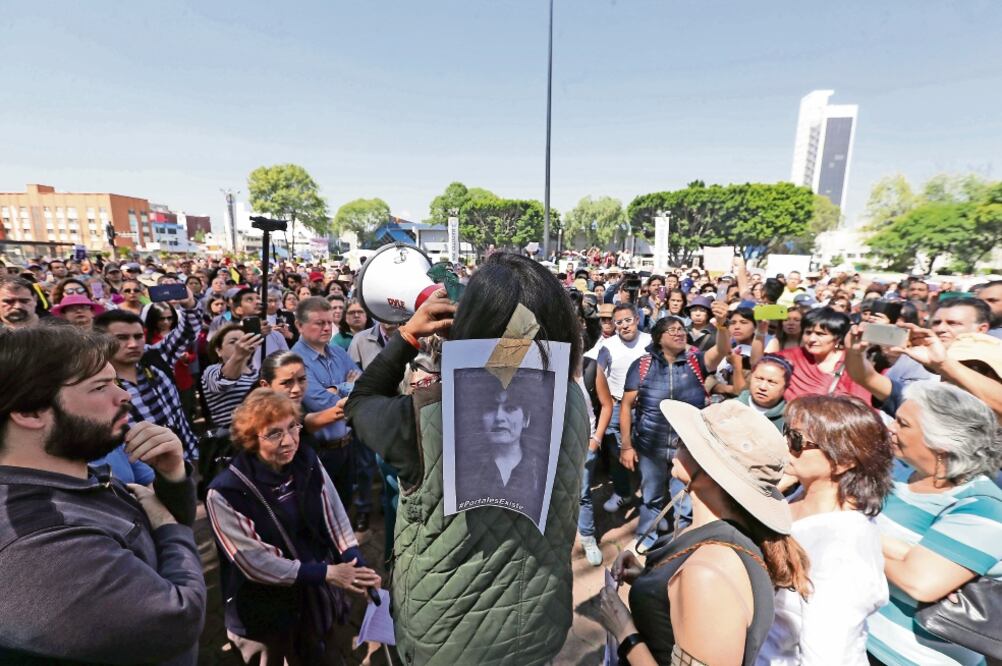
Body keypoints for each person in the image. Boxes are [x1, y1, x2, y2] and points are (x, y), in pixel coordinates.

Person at [345, 253, 588, 665]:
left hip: (444, 641)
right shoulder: (574, 402)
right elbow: (515, 361)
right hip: (538, 626)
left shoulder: (425, 414)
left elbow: (360, 402)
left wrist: (408, 336)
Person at [0, 325, 206, 663]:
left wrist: (171, 476)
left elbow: (167, 515)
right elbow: (179, 619)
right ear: (30, 412)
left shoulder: (77, 473)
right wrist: (170, 528)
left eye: (117, 382)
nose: (124, 396)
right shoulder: (36, 539)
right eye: (99, 387)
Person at [599, 400, 811, 666]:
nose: (676, 443)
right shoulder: (727, 537)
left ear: (710, 470)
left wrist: (624, 632)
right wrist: (649, 582)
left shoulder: (708, 575)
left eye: (686, 441)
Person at [207, 390, 379, 665]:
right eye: (274, 433)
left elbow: (334, 515)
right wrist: (327, 572)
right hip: (265, 614)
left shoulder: (306, 460)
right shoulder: (226, 491)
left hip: (313, 602)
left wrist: (356, 563)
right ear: (251, 438)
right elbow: (255, 562)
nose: (288, 440)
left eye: (292, 427)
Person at [867, 382, 1002, 666]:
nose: (890, 427)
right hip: (860, 640)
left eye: (903, 424)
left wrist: (852, 533)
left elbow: (919, 583)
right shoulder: (900, 473)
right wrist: (905, 553)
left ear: (941, 443)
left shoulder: (983, 506)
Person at [757, 396, 893, 666]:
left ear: (843, 461)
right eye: (786, 431)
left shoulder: (842, 548)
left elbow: (828, 655)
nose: (784, 444)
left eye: (796, 440)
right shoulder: (801, 496)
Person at [620, 308, 729, 551]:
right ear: (658, 338)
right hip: (651, 447)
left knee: (684, 501)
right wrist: (626, 445)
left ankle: (680, 545)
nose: (679, 333)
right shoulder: (642, 366)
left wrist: (722, 325)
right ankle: (646, 539)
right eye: (672, 330)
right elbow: (626, 406)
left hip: (688, 449)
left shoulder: (696, 361)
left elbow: (722, 350)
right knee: (651, 498)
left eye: (681, 329)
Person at [93, 289, 202, 460]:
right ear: (101, 342)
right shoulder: (96, 386)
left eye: (138, 336)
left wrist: (189, 304)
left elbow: (188, 331)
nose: (133, 344)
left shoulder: (155, 357)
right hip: (146, 470)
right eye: (121, 338)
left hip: (188, 453)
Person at [292, 297, 360, 508]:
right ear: (299, 326)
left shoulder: (338, 352)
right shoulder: (294, 361)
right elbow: (322, 403)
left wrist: (336, 389)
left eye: (329, 322)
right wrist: (348, 385)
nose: (327, 328)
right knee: (321, 511)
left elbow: (364, 386)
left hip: (347, 445)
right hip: (318, 452)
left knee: (344, 507)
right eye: (319, 323)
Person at [594, 302, 653, 514]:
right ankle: (622, 492)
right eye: (619, 322)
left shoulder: (650, 341)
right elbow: (597, 372)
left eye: (628, 320)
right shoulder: (607, 346)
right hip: (617, 405)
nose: (624, 326)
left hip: (647, 406)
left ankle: (651, 500)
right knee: (615, 451)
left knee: (649, 453)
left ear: (637, 319)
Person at [775, 307, 870, 402]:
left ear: (837, 338)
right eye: (808, 333)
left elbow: (861, 405)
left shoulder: (852, 365)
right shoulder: (791, 357)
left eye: (820, 334)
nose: (812, 339)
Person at [201, 324, 263, 429]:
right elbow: (223, 382)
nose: (240, 345)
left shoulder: (257, 372)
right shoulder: (212, 371)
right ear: (218, 350)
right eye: (233, 342)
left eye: (245, 340)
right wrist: (239, 355)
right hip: (232, 434)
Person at [734, 354, 793, 432]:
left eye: (772, 382)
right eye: (759, 379)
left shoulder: (791, 419)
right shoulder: (731, 407)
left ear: (786, 387)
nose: (762, 387)